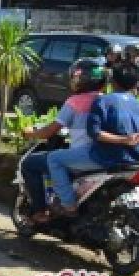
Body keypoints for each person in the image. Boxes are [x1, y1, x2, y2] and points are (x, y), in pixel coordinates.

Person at [43, 62, 139, 219]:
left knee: (53, 158)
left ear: (112, 81)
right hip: (136, 161)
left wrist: (123, 140)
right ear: (136, 83)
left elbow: (94, 133)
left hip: (105, 158)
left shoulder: (104, 102)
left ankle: (69, 205)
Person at [19, 58, 107, 219]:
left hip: (85, 156)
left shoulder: (75, 102)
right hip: (105, 154)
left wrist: (29, 133)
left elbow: (50, 131)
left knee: (30, 163)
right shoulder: (107, 100)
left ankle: (45, 210)